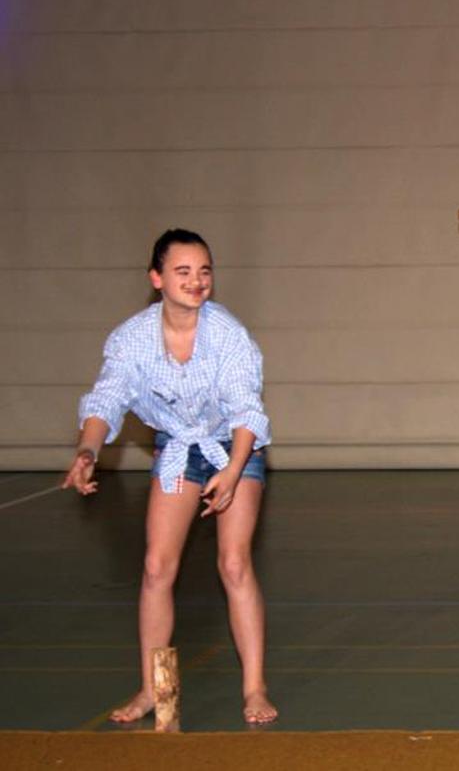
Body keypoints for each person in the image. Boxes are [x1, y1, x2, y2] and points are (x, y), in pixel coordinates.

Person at [61, 228, 277, 725]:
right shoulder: (131, 339)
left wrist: (232, 470)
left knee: (234, 564)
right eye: (183, 271)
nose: (196, 281)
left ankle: (254, 687)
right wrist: (88, 450)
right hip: (179, 449)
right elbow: (106, 399)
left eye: (204, 271)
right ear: (156, 278)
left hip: (235, 447)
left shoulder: (228, 334)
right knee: (157, 569)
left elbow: (247, 409)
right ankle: (153, 689)